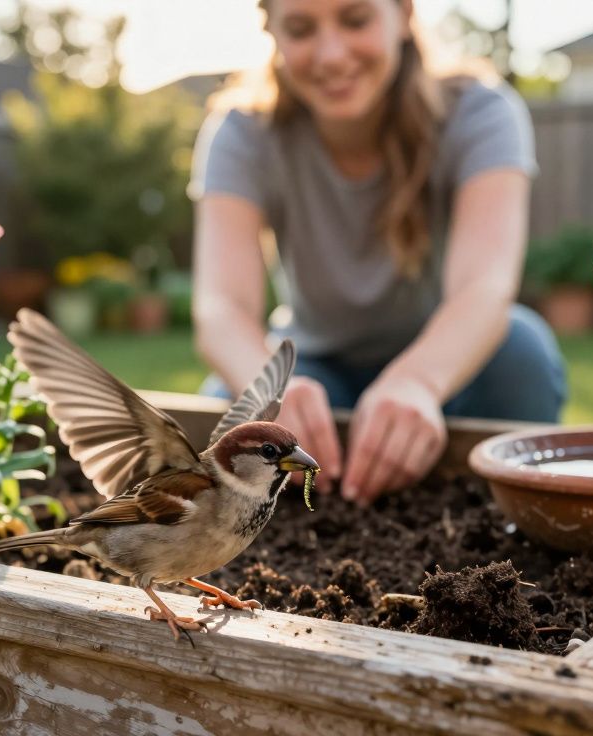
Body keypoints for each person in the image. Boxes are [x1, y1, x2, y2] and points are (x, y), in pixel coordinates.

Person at [189, 0, 566, 506]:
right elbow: (221, 309)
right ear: (270, 30)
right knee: (226, 408)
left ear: (404, 13)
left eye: (355, 19)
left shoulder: (480, 111)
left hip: (450, 365)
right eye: (301, 29)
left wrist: (417, 381)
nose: (331, 54)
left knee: (525, 353)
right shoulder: (241, 132)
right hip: (314, 366)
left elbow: (486, 287)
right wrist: (274, 394)